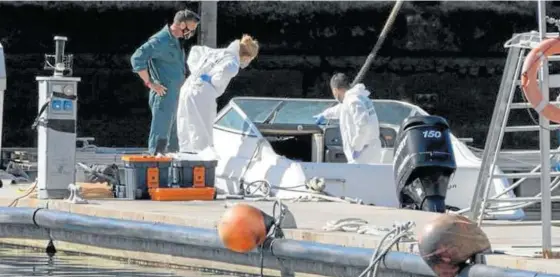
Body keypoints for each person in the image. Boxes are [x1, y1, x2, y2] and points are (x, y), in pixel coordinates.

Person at [130, 9, 200, 155]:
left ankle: (172, 170)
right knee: (160, 137)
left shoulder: (174, 41)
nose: (191, 33)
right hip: (164, 96)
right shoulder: (160, 41)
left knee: (174, 138)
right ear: (181, 24)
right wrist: (150, 83)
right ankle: (154, 169)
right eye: (190, 29)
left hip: (175, 96)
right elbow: (137, 58)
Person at [177, 34, 259, 154]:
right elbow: (221, 76)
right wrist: (212, 80)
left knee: (185, 124)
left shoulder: (217, 52)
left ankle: (185, 155)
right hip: (202, 92)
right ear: (246, 56)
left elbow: (195, 52)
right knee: (203, 129)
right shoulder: (233, 63)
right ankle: (202, 161)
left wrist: (197, 72)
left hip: (187, 86)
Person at [313, 73, 382, 164]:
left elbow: (363, 124)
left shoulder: (353, 101)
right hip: (371, 149)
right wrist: (324, 114)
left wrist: (357, 147)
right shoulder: (358, 97)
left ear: (335, 90)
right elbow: (342, 109)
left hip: (363, 154)